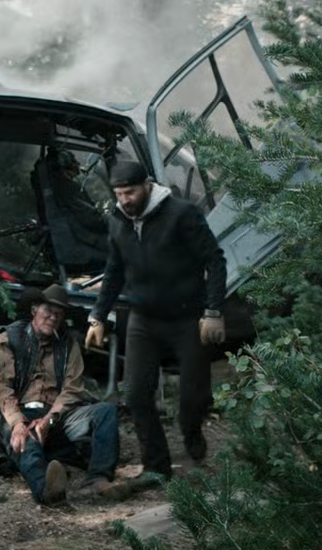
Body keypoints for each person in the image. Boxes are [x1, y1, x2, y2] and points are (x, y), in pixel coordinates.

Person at [85, 162, 227, 485]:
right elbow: (114, 270)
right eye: (119, 194)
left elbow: (214, 260)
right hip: (144, 319)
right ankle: (156, 466)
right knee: (136, 393)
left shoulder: (181, 214)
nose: (125, 200)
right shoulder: (118, 221)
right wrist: (98, 316)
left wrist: (213, 311)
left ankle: (191, 430)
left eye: (130, 192)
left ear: (147, 185)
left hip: (186, 316)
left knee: (192, 395)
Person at [0, 284, 129, 504]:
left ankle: (99, 478)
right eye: (48, 310)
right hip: (20, 412)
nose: (53, 317)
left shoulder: (68, 344)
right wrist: (17, 423)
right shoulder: (9, 338)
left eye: (59, 313)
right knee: (25, 440)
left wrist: (50, 418)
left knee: (106, 411)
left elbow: (73, 388)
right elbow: (1, 387)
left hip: (56, 415)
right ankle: (47, 491)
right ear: (35, 310)